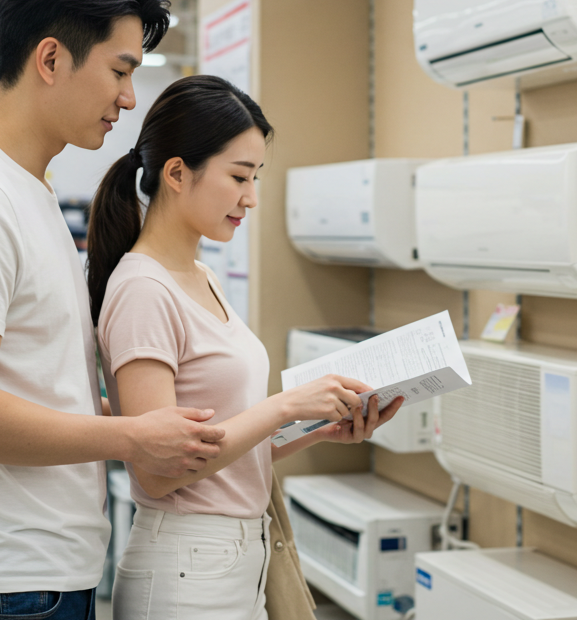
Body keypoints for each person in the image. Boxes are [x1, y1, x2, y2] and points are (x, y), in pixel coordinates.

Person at [0, 0, 228, 620]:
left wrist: (144, 420)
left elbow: (29, 387)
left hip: (33, 578)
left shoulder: (31, 192)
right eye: (120, 70)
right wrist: (132, 438)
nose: (128, 99)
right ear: (50, 59)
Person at [88, 75, 404, 620]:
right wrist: (284, 405)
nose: (251, 198)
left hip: (234, 559)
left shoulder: (201, 275)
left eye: (255, 177)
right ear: (177, 173)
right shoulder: (143, 289)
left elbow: (219, 445)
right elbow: (160, 469)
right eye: (239, 176)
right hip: (188, 565)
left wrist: (316, 427)